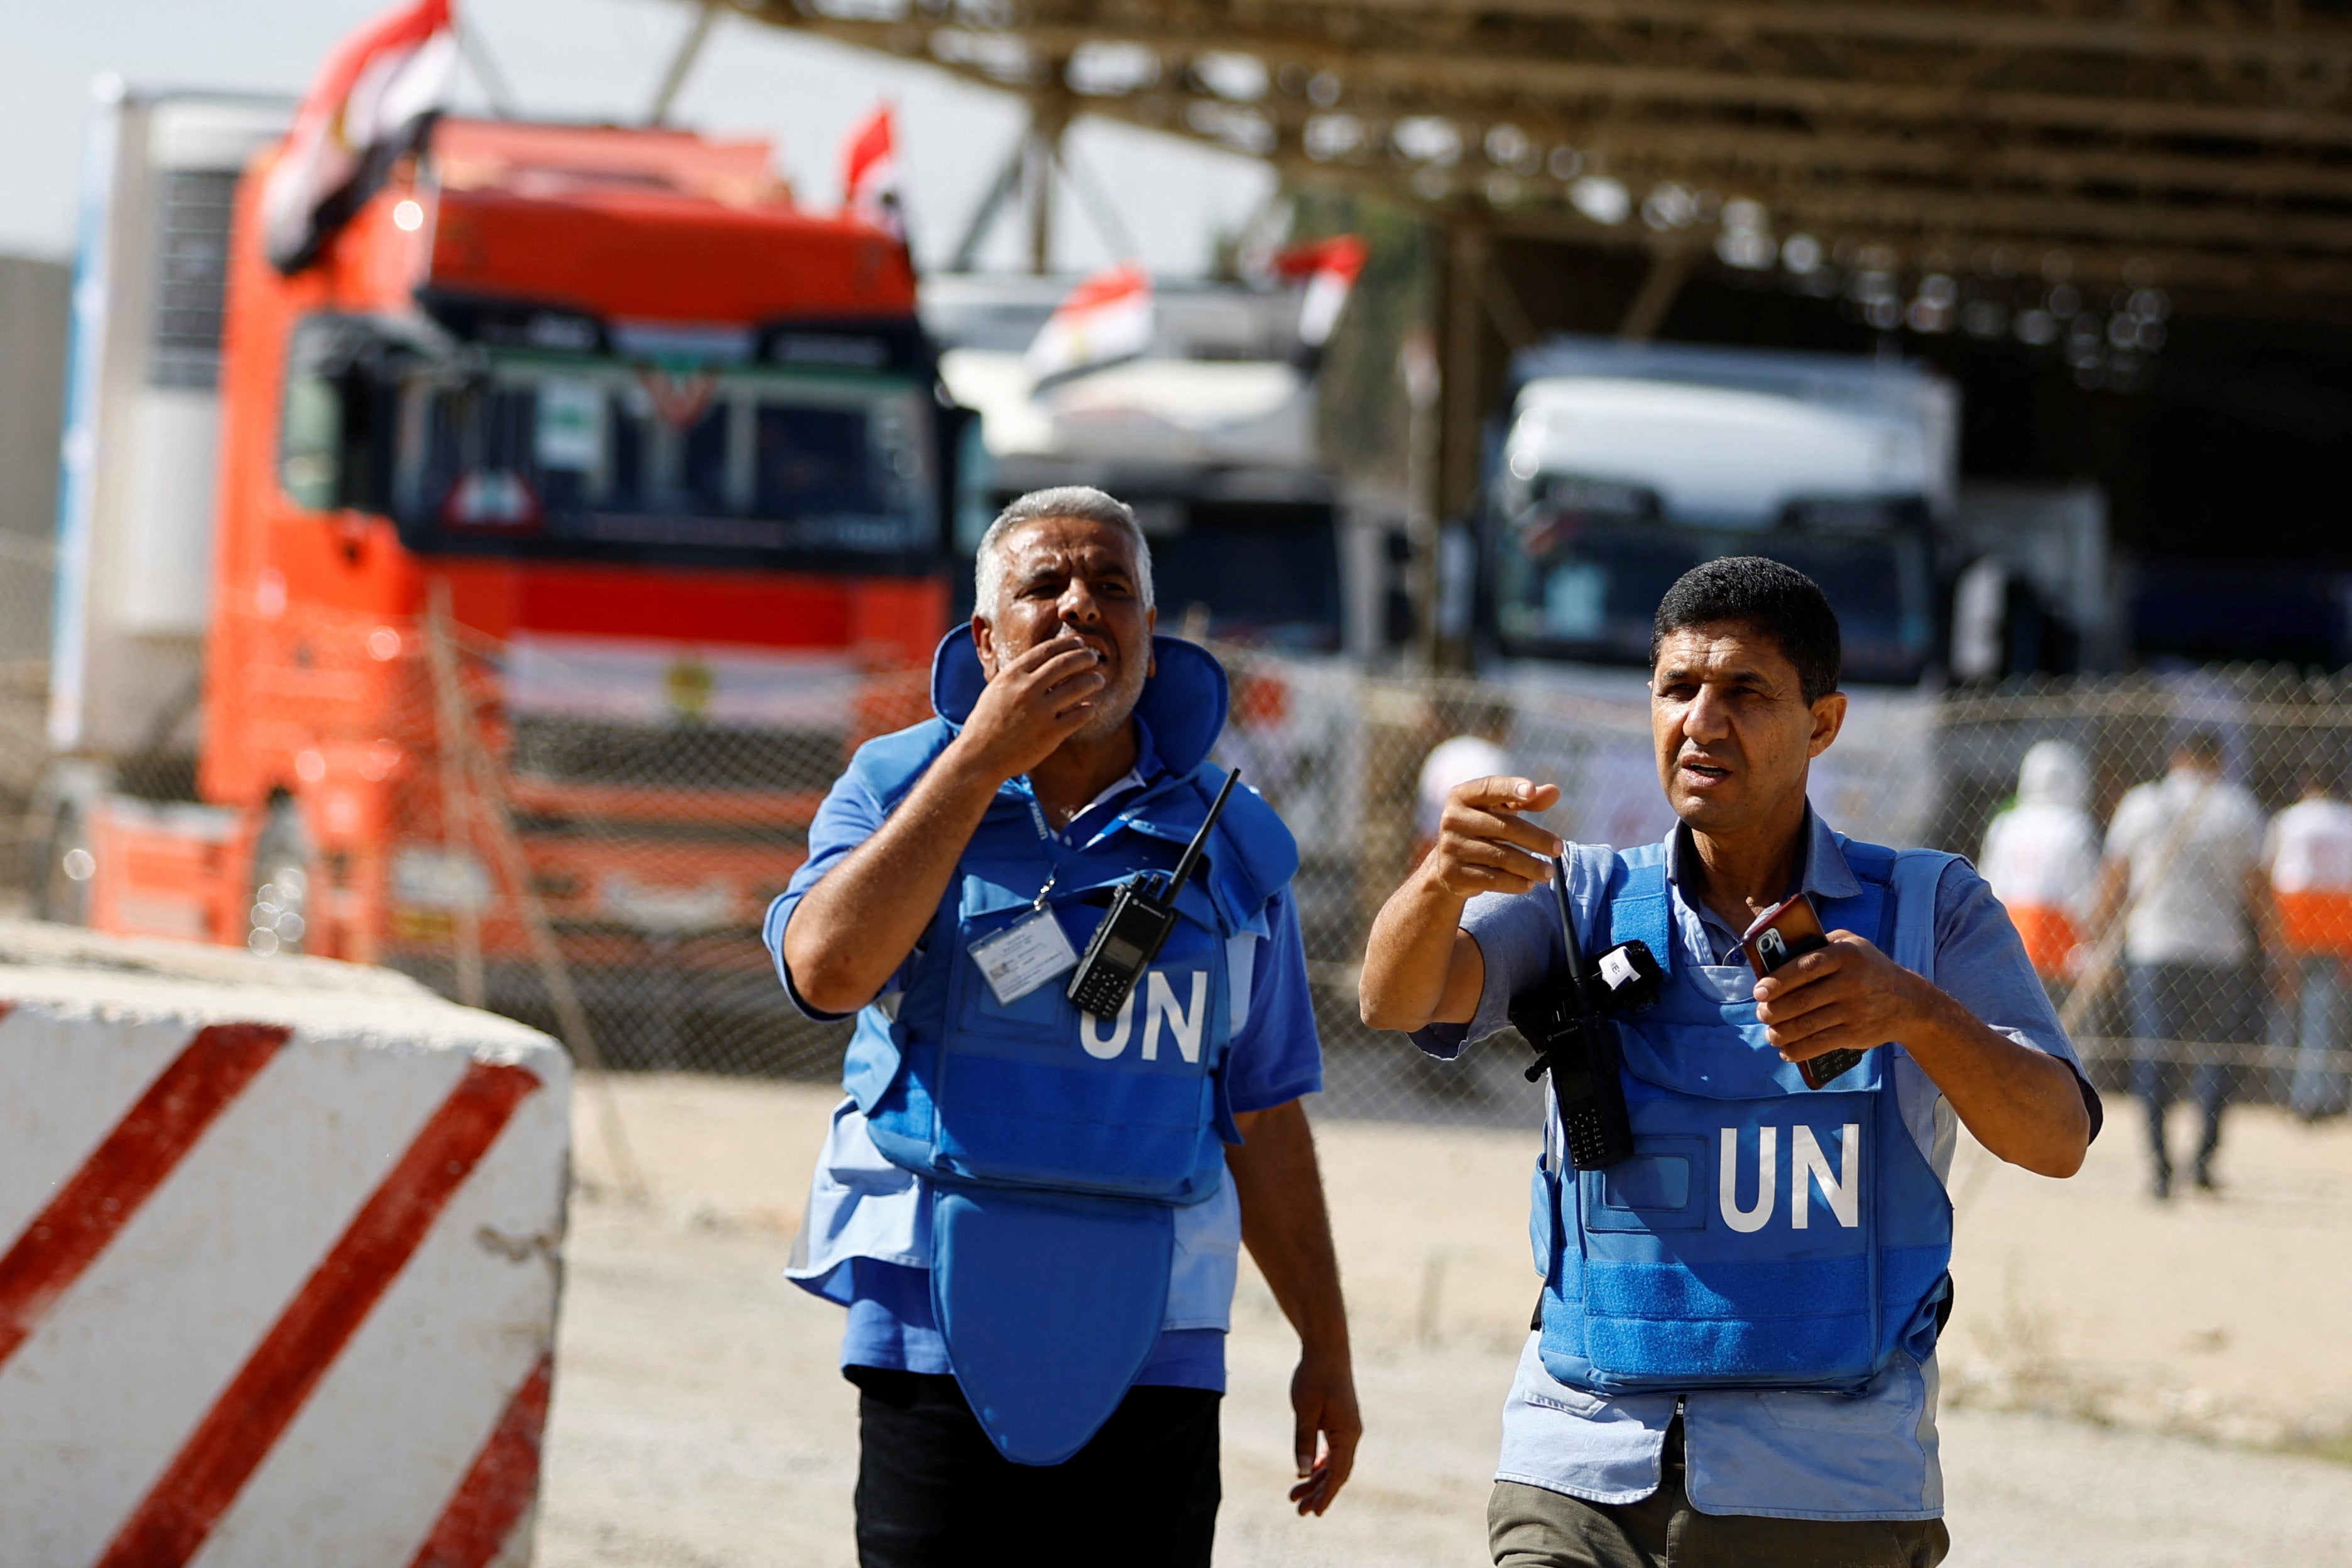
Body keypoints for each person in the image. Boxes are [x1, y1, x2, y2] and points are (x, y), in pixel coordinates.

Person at [1359, 557, 2097, 1568]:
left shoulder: (1931, 911)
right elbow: (1397, 1000)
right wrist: (1441, 878)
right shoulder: (1579, 898)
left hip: (1828, 1488)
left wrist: (1913, 1012)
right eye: (1678, 689)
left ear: (1823, 724)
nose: (1703, 720)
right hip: (1579, 1462)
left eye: (1746, 692)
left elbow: (2057, 1139)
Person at [765, 486, 1359, 1566]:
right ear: (986, 639)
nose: (1082, 606)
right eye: (1046, 585)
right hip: (931, 1326)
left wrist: (1325, 1345)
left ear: (1148, 633)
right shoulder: (892, 783)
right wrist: (979, 762)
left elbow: (1264, 1111)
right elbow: (826, 969)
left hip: (1157, 1338)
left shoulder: (1231, 836)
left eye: (1113, 589)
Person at [2091, 729, 2268, 1197]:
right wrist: (2276, 948)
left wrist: (2096, 935)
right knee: (2216, 1052)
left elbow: (2115, 879)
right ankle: (2204, 1158)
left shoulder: (2141, 804)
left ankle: (2159, 1164)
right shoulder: (2238, 807)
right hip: (2218, 948)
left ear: (2176, 756)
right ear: (2220, 759)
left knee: (2153, 1051)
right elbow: (2256, 888)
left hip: (2154, 944)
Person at [2265, 772, 2352, 1119]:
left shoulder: (2288, 818)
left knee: (2285, 1009)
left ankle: (2283, 1089)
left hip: (2292, 920)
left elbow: (2269, 868)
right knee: (2327, 1015)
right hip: (2337, 922)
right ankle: (2322, 1094)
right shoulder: (2347, 820)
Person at [1979, 740, 2101, 986]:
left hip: (2006, 942)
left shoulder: (2005, 824)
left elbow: (1989, 882)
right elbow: (2084, 895)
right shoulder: (2075, 826)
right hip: (2060, 949)